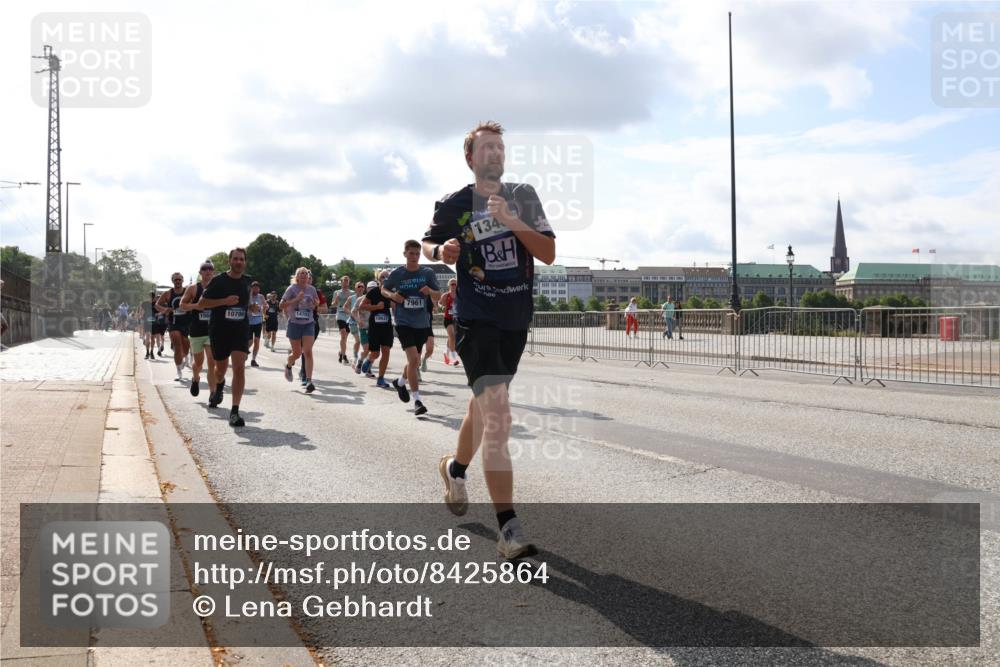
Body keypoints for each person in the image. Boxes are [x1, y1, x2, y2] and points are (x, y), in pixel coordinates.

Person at [423, 120, 555, 559]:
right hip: (475, 319)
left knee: (482, 409)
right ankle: (508, 528)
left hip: (515, 319)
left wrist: (512, 221)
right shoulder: (455, 204)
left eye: (500, 147)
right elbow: (427, 244)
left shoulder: (523, 196)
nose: (495, 153)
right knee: (498, 414)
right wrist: (440, 253)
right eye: (487, 148)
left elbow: (548, 253)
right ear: (470, 158)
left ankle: (454, 468)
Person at [382, 240, 441, 416]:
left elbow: (438, 294)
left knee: (413, 361)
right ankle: (417, 400)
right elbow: (383, 289)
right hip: (403, 321)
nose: (414, 257)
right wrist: (393, 296)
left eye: (417, 254)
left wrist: (429, 291)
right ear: (405, 254)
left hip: (422, 322)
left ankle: (400, 382)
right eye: (411, 253)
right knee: (414, 359)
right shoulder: (398, 273)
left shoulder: (427, 272)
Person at [197, 247, 254, 426]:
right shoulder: (218, 281)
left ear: (245, 262)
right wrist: (224, 301)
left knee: (239, 367)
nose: (238, 262)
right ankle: (219, 385)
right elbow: (202, 303)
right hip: (220, 330)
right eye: (235, 259)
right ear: (230, 261)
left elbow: (246, 302)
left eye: (242, 259)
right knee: (220, 370)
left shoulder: (248, 281)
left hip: (240, 330)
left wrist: (251, 307)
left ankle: (235, 411)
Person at [180, 261, 217, 398]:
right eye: (204, 269)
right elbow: (182, 305)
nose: (208, 271)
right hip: (196, 331)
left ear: (213, 272)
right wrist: (196, 306)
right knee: (198, 364)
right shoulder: (193, 288)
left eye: (210, 269)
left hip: (212, 330)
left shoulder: (217, 288)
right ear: (200, 272)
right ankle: (195, 378)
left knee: (212, 362)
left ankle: (213, 393)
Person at [280, 267, 319, 394]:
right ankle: (289, 365)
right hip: (294, 323)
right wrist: (296, 299)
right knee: (296, 354)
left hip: (308, 323)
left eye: (305, 274)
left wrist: (314, 303)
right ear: (297, 277)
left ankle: (309, 381)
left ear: (308, 278)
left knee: (307, 351)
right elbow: (281, 305)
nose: (303, 276)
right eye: (301, 274)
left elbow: (316, 303)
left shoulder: (312, 289)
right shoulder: (291, 289)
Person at [359, 271, 393, 386]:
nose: (385, 279)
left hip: (387, 326)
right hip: (374, 327)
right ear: (378, 279)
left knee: (386, 351)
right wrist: (376, 307)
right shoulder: (374, 292)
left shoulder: (392, 292)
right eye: (382, 277)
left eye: (387, 277)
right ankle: (369, 360)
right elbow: (361, 306)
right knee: (375, 354)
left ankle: (381, 378)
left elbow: (398, 305)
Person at [158, 273, 191, 381]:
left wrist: (190, 307)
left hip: (186, 322)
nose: (178, 281)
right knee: (177, 345)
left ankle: (185, 357)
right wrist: (164, 310)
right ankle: (178, 371)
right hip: (174, 322)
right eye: (176, 279)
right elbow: (157, 305)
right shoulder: (168, 293)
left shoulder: (188, 291)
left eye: (179, 279)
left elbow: (197, 302)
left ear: (182, 280)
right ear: (172, 281)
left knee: (185, 346)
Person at [349, 281, 370, 374]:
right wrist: (358, 320)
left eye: (362, 286)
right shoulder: (354, 298)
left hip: (374, 328)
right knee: (363, 346)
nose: (360, 288)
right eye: (359, 286)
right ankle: (356, 357)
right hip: (360, 325)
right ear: (355, 288)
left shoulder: (376, 299)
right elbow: (350, 310)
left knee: (373, 350)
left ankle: (364, 365)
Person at [332, 275, 353, 365]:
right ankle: (344, 356)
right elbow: (333, 304)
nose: (345, 282)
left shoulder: (352, 293)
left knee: (345, 337)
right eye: (343, 281)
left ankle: (341, 352)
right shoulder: (337, 292)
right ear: (341, 283)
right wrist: (336, 300)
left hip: (348, 316)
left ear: (348, 282)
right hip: (340, 314)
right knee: (343, 334)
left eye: (346, 281)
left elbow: (354, 304)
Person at [439, 278, 460, 366]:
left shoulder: (460, 295)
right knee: (452, 337)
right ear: (449, 286)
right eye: (452, 284)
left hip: (457, 319)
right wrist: (443, 307)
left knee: (451, 337)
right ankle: (454, 358)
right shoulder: (446, 295)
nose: (453, 286)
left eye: (455, 284)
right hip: (448, 319)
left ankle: (446, 352)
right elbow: (440, 303)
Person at [247, 281, 265, 367]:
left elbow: (265, 305)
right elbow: (248, 305)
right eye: (254, 288)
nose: (256, 290)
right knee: (250, 341)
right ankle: (245, 350)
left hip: (258, 321)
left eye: (257, 288)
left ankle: (253, 359)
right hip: (249, 322)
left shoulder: (261, 297)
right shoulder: (248, 296)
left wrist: (263, 308)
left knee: (257, 341)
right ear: (251, 288)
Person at [140, 291, 156, 359]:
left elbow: (142, 312)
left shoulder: (144, 303)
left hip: (148, 322)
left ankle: (148, 353)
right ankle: (151, 352)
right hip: (154, 322)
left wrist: (141, 318)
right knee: (152, 338)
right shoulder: (156, 303)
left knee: (148, 337)